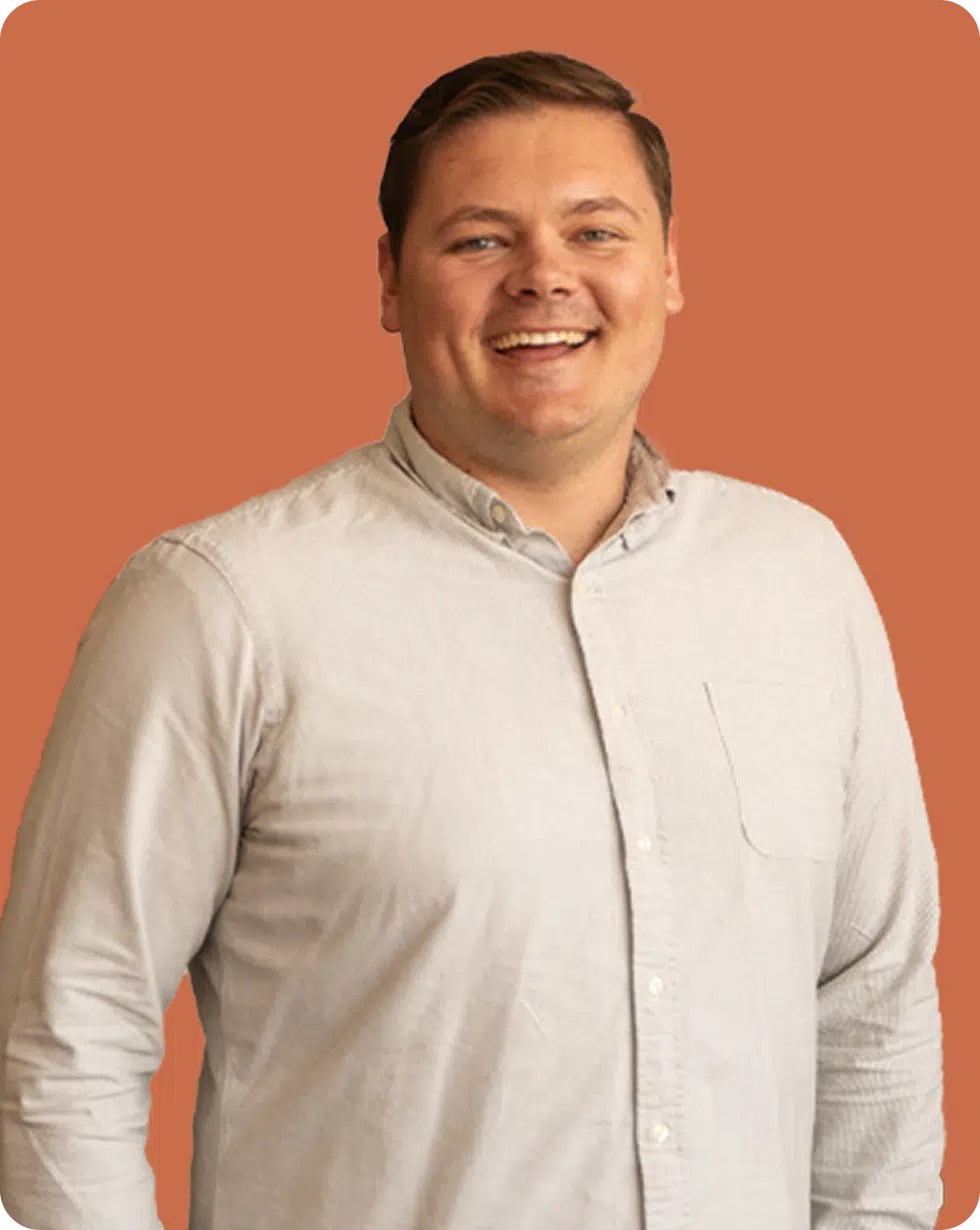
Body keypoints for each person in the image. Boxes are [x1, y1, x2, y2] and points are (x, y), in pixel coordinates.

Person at [0, 48, 944, 1230]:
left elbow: (871, 1002)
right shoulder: (220, 605)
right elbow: (63, 1046)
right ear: (389, 281)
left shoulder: (799, 576)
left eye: (594, 231)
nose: (543, 277)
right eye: (480, 240)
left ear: (667, 266)